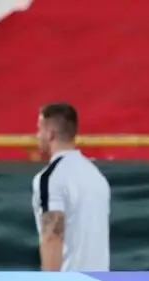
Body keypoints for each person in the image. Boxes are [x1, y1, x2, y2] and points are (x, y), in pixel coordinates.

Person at [32, 102, 110, 271]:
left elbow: (52, 237)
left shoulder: (51, 177)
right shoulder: (97, 176)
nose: (37, 136)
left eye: (39, 129)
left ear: (50, 133)